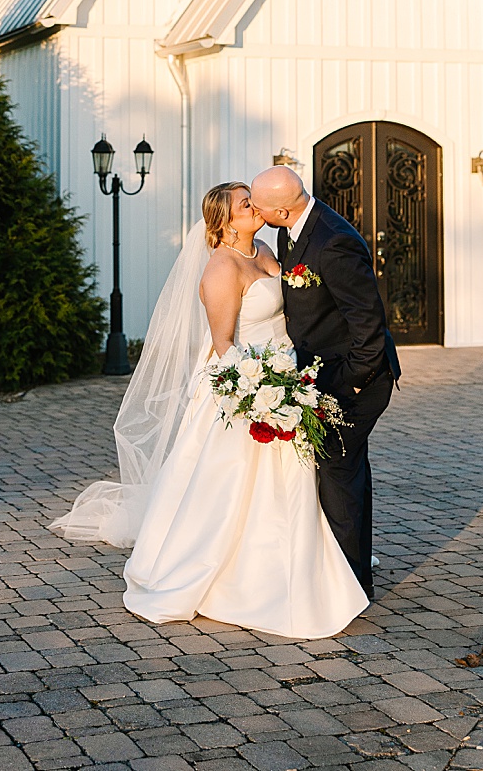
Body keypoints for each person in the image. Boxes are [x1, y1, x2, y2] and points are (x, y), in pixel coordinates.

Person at [50, 181, 368, 639]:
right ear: (224, 221)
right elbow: (222, 346)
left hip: (284, 372)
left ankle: (294, 559)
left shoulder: (265, 248)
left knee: (289, 477)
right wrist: (261, 394)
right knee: (231, 482)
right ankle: (227, 574)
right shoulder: (220, 269)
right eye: (246, 203)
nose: (255, 206)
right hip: (245, 384)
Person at [250, 166, 401, 598]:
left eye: (259, 206)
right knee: (345, 469)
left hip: (354, 379)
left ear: (280, 209)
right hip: (320, 373)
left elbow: (368, 326)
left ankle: (351, 585)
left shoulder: (333, 242)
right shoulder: (292, 229)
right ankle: (346, 570)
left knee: (338, 470)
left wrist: (350, 384)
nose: (256, 213)